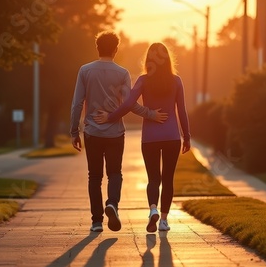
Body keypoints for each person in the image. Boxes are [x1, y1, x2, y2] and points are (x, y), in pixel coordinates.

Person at [70, 31, 167, 233]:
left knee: (94, 176)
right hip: (115, 133)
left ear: (98, 48)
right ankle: (112, 203)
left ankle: (97, 221)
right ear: (116, 50)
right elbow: (130, 104)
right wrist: (150, 114)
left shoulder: (85, 71)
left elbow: (77, 103)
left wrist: (74, 130)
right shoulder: (122, 73)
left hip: (92, 132)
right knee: (115, 173)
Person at [95, 42, 191, 232]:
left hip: (150, 138)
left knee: (153, 178)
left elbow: (128, 104)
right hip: (172, 136)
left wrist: (110, 117)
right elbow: (182, 111)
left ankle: (152, 209)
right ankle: (163, 220)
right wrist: (186, 136)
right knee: (168, 179)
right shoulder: (176, 81)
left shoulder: (143, 80)